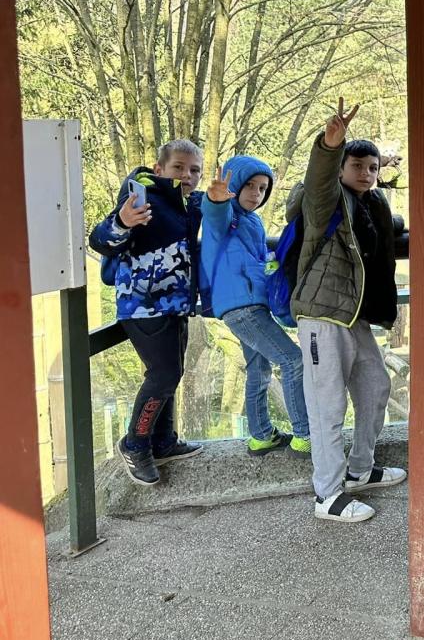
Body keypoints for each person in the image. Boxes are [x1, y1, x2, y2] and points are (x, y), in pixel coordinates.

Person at [289, 99, 404, 523]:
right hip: (322, 313)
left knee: (375, 386)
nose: (366, 173)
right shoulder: (324, 201)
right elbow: (319, 179)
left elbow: (387, 230)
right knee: (328, 406)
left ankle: (359, 470)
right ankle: (328, 495)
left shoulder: (370, 206)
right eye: (357, 165)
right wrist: (329, 144)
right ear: (340, 168)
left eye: (372, 167)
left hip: (354, 316)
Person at [89, 139, 206, 486]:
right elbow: (100, 239)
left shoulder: (189, 205)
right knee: (163, 373)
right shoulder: (143, 198)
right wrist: (121, 222)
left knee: (172, 372)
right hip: (143, 305)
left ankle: (163, 440)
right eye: (178, 167)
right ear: (159, 169)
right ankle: (135, 443)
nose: (187, 175)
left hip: (176, 306)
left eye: (194, 170)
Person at [200, 156, 310, 457]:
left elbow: (257, 261)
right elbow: (214, 215)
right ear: (234, 185)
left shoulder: (253, 221)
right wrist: (216, 199)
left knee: (258, 370)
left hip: (250, 305)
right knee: (293, 360)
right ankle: (305, 435)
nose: (256, 193)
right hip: (242, 308)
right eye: (249, 185)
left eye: (262, 188)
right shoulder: (227, 216)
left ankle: (261, 436)